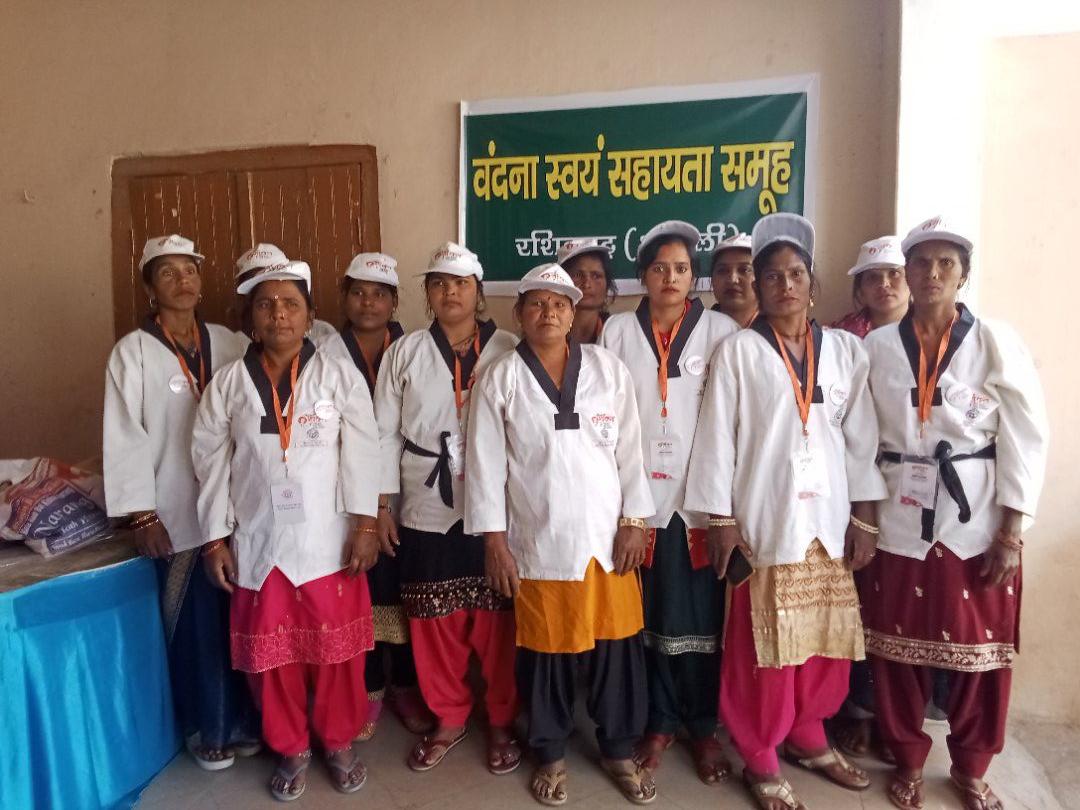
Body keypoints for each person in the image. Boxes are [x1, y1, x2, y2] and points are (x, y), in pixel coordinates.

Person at [685, 213, 887, 810]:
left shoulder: (846, 352)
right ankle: (761, 754)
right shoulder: (739, 352)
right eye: (770, 276)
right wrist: (721, 521)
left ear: (813, 284)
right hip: (765, 521)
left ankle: (808, 735)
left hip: (828, 520)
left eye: (795, 274)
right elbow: (716, 437)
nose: (784, 285)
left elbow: (862, 441)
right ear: (758, 285)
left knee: (823, 642)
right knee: (765, 650)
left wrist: (865, 518)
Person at [862, 216, 1048, 810]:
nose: (933, 273)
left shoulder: (994, 340)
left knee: (981, 655)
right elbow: (860, 436)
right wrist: (862, 516)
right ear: (906, 272)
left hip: (976, 519)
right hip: (899, 513)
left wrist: (1012, 530)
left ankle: (971, 766)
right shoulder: (877, 347)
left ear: (963, 273)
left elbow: (1025, 434)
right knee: (895, 650)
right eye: (921, 262)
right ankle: (907, 759)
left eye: (946, 263)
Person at [466, 263, 657, 806]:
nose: (548, 312)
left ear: (574, 314)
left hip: (606, 541)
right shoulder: (500, 377)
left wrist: (634, 521)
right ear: (518, 313)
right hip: (540, 543)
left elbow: (631, 451)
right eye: (536, 303)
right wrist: (494, 542)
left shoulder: (607, 370)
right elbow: (484, 466)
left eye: (559, 304)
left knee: (616, 650)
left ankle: (618, 750)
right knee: (546, 654)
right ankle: (549, 753)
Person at [193, 260, 381, 801]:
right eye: (266, 304)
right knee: (272, 661)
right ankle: (291, 746)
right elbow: (209, 464)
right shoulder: (229, 384)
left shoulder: (337, 375)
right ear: (250, 317)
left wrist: (366, 523)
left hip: (329, 541)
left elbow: (363, 452)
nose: (279, 314)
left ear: (310, 315)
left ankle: (338, 741)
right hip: (259, 543)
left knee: (337, 656)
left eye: (290, 304)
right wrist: (214, 538)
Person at [104, 235, 259, 771]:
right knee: (194, 627)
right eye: (167, 273)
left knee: (239, 619)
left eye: (189, 270)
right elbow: (123, 437)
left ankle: (244, 721)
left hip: (235, 509)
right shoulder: (133, 353)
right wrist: (142, 515)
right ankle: (203, 726)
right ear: (150, 287)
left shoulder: (230, 342)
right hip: (173, 512)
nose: (182, 280)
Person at [373, 241, 521, 774]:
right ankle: (450, 716)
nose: (449, 292)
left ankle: (502, 718)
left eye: (460, 283)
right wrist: (382, 504)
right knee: (432, 616)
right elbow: (383, 433)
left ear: (478, 292)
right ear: (427, 293)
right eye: (438, 283)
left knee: (497, 618)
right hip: (424, 500)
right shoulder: (406, 351)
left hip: (494, 500)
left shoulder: (508, 347)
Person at [600, 221, 737, 784]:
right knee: (649, 614)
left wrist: (725, 505)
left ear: (694, 276)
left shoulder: (722, 331)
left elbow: (733, 419)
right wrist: (623, 506)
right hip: (639, 499)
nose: (671, 278)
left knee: (702, 616)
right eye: (659, 268)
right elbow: (608, 419)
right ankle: (658, 721)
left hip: (699, 499)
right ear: (643, 275)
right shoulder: (616, 332)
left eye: (681, 268)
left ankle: (702, 724)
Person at [326, 251, 434, 740]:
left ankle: (405, 687)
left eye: (378, 294)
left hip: (402, 491)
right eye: (358, 292)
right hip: (344, 492)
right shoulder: (323, 352)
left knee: (403, 592)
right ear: (345, 298)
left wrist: (385, 502)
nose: (367, 302)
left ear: (394, 301)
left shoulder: (415, 349)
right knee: (358, 591)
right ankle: (367, 688)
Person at [233, 242, 337, 344]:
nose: (278, 313)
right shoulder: (236, 342)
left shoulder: (323, 333)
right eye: (253, 283)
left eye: (273, 276)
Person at [832, 236, 910, 338]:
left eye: (894, 273)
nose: (884, 283)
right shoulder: (840, 337)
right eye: (873, 277)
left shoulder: (929, 328)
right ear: (860, 291)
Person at [558, 238, 618, 343]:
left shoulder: (618, 333)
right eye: (577, 275)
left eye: (596, 276)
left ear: (607, 285)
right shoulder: (546, 331)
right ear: (560, 283)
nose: (587, 284)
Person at [709, 232, 758, 327]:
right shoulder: (696, 329)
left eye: (745, 270)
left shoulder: (780, 331)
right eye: (722, 270)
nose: (732, 279)